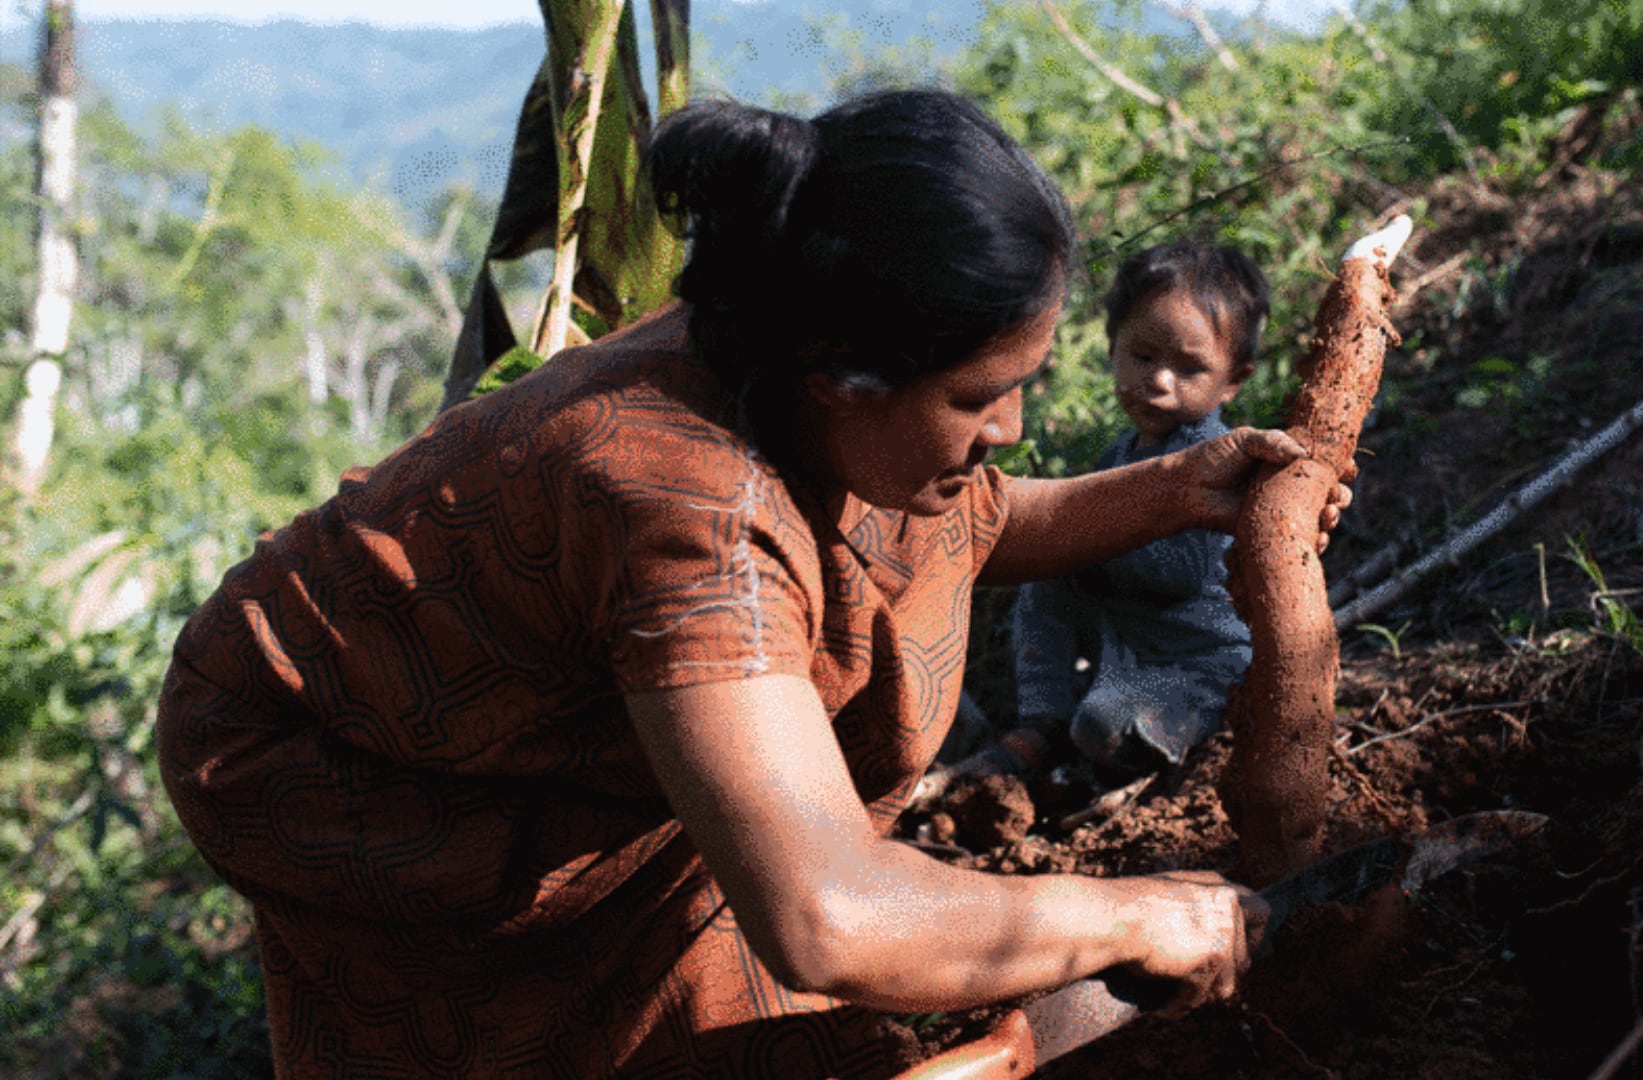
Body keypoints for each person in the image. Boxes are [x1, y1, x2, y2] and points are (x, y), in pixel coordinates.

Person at [157, 90, 1339, 1078]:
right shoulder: (690, 513)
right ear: (845, 376)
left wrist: (1185, 487)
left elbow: (969, 524)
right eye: (982, 398)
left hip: (555, 722)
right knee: (546, 1015)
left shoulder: (800, 362)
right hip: (358, 772)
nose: (1013, 432)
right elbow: (826, 915)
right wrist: (1128, 912)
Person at [984, 240, 1278, 780]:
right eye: (1143, 357)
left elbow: (1181, 571)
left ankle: (1104, 763)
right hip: (1128, 644)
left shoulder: (1211, 457)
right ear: (1113, 345)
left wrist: (1085, 545)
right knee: (1042, 585)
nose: (1159, 381)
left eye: (1189, 369)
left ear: (1232, 381)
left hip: (1198, 661)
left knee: (1103, 723)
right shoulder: (1122, 452)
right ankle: (1043, 722)